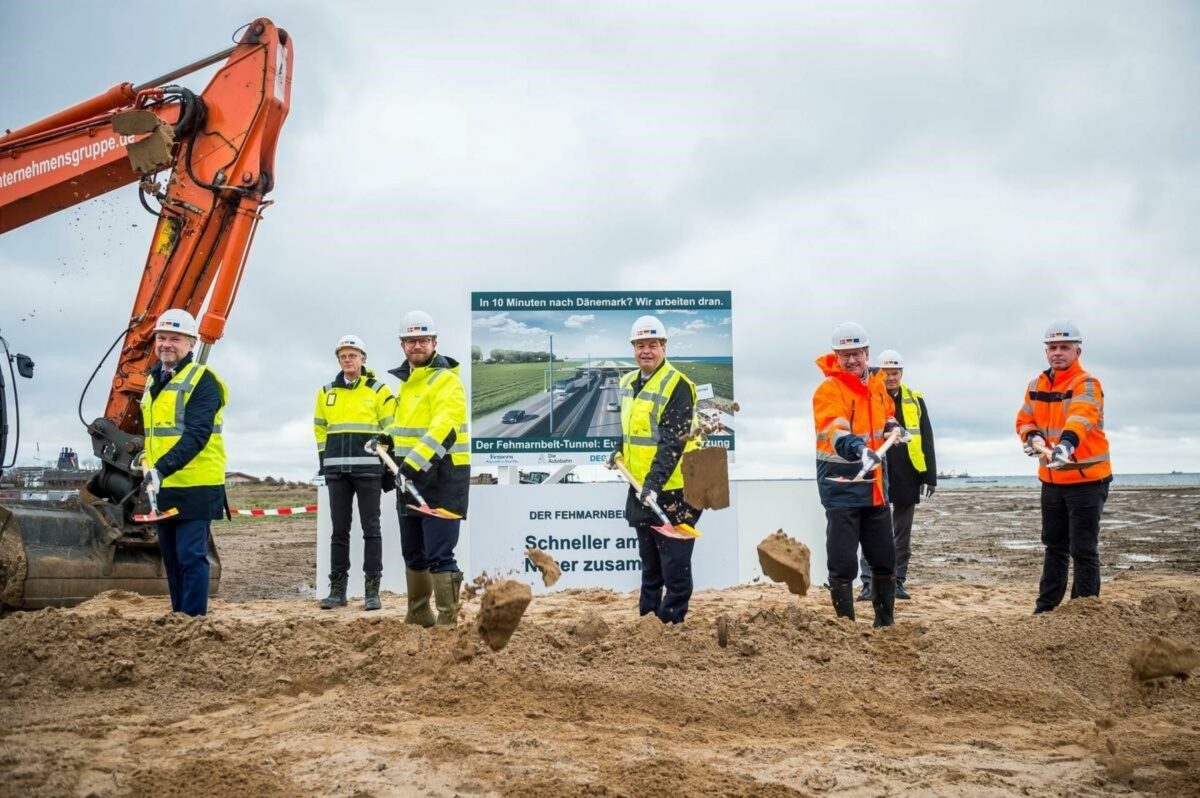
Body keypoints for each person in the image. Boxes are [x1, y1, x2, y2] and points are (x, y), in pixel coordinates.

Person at [1016, 320, 1111, 614]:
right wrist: (1032, 437)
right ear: (1046, 352)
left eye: (1064, 347)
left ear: (1077, 351)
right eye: (1052, 348)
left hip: (1087, 481)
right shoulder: (1036, 385)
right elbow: (1024, 419)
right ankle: (1046, 610)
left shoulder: (1087, 384)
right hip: (1052, 480)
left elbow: (1081, 417)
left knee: (1083, 549)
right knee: (1054, 546)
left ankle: (1083, 611)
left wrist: (1066, 444)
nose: (1057, 353)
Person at [613, 315, 702, 624]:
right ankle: (647, 624)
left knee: (675, 565)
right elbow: (628, 430)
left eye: (652, 345)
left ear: (664, 346)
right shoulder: (626, 383)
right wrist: (617, 450)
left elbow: (672, 444)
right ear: (633, 348)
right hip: (641, 487)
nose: (645, 351)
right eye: (640, 345)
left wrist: (653, 484)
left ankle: (672, 625)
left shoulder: (678, 385)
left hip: (678, 489)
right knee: (650, 565)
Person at [139, 308, 227, 617]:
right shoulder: (152, 382)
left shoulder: (204, 381)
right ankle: (179, 617)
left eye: (174, 339)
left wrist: (160, 468)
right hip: (164, 485)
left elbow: (197, 435)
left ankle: (192, 622)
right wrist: (145, 459)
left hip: (197, 484)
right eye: (161, 337)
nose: (165, 344)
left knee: (191, 556)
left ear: (191, 343)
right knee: (172, 559)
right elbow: (155, 434)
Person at [813, 321, 901, 627]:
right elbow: (834, 428)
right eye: (845, 354)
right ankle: (846, 627)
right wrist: (857, 448)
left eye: (857, 353)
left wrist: (892, 427)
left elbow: (887, 413)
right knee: (842, 561)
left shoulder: (876, 385)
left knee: (883, 557)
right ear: (836, 356)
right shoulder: (829, 389)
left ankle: (885, 622)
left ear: (867, 353)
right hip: (842, 486)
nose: (852, 360)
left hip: (875, 486)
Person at [386, 310, 470, 626]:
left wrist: (411, 465)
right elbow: (405, 428)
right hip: (410, 479)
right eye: (410, 341)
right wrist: (387, 440)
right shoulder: (408, 384)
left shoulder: (446, 380)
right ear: (402, 345)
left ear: (434, 342)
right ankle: (420, 614)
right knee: (414, 553)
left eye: (422, 340)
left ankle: (448, 622)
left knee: (440, 554)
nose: (416, 345)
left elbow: (444, 429)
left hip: (443, 480)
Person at [313, 335, 394, 611]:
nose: (348, 360)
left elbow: (391, 428)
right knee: (339, 531)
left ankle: (373, 590)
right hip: (337, 472)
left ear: (363, 359)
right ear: (339, 360)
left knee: (371, 529)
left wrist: (382, 461)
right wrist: (326, 461)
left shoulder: (379, 390)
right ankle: (337, 590)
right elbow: (320, 429)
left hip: (369, 471)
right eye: (343, 356)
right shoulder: (325, 393)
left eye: (353, 355)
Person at [857, 349, 936, 602]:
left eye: (895, 373)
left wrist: (929, 476)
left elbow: (926, 437)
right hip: (877, 470)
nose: (891, 378)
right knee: (870, 529)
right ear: (878, 373)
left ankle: (898, 581)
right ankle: (868, 583)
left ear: (901, 373)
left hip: (907, 472)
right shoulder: (868, 396)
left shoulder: (915, 399)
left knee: (902, 534)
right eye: (886, 373)